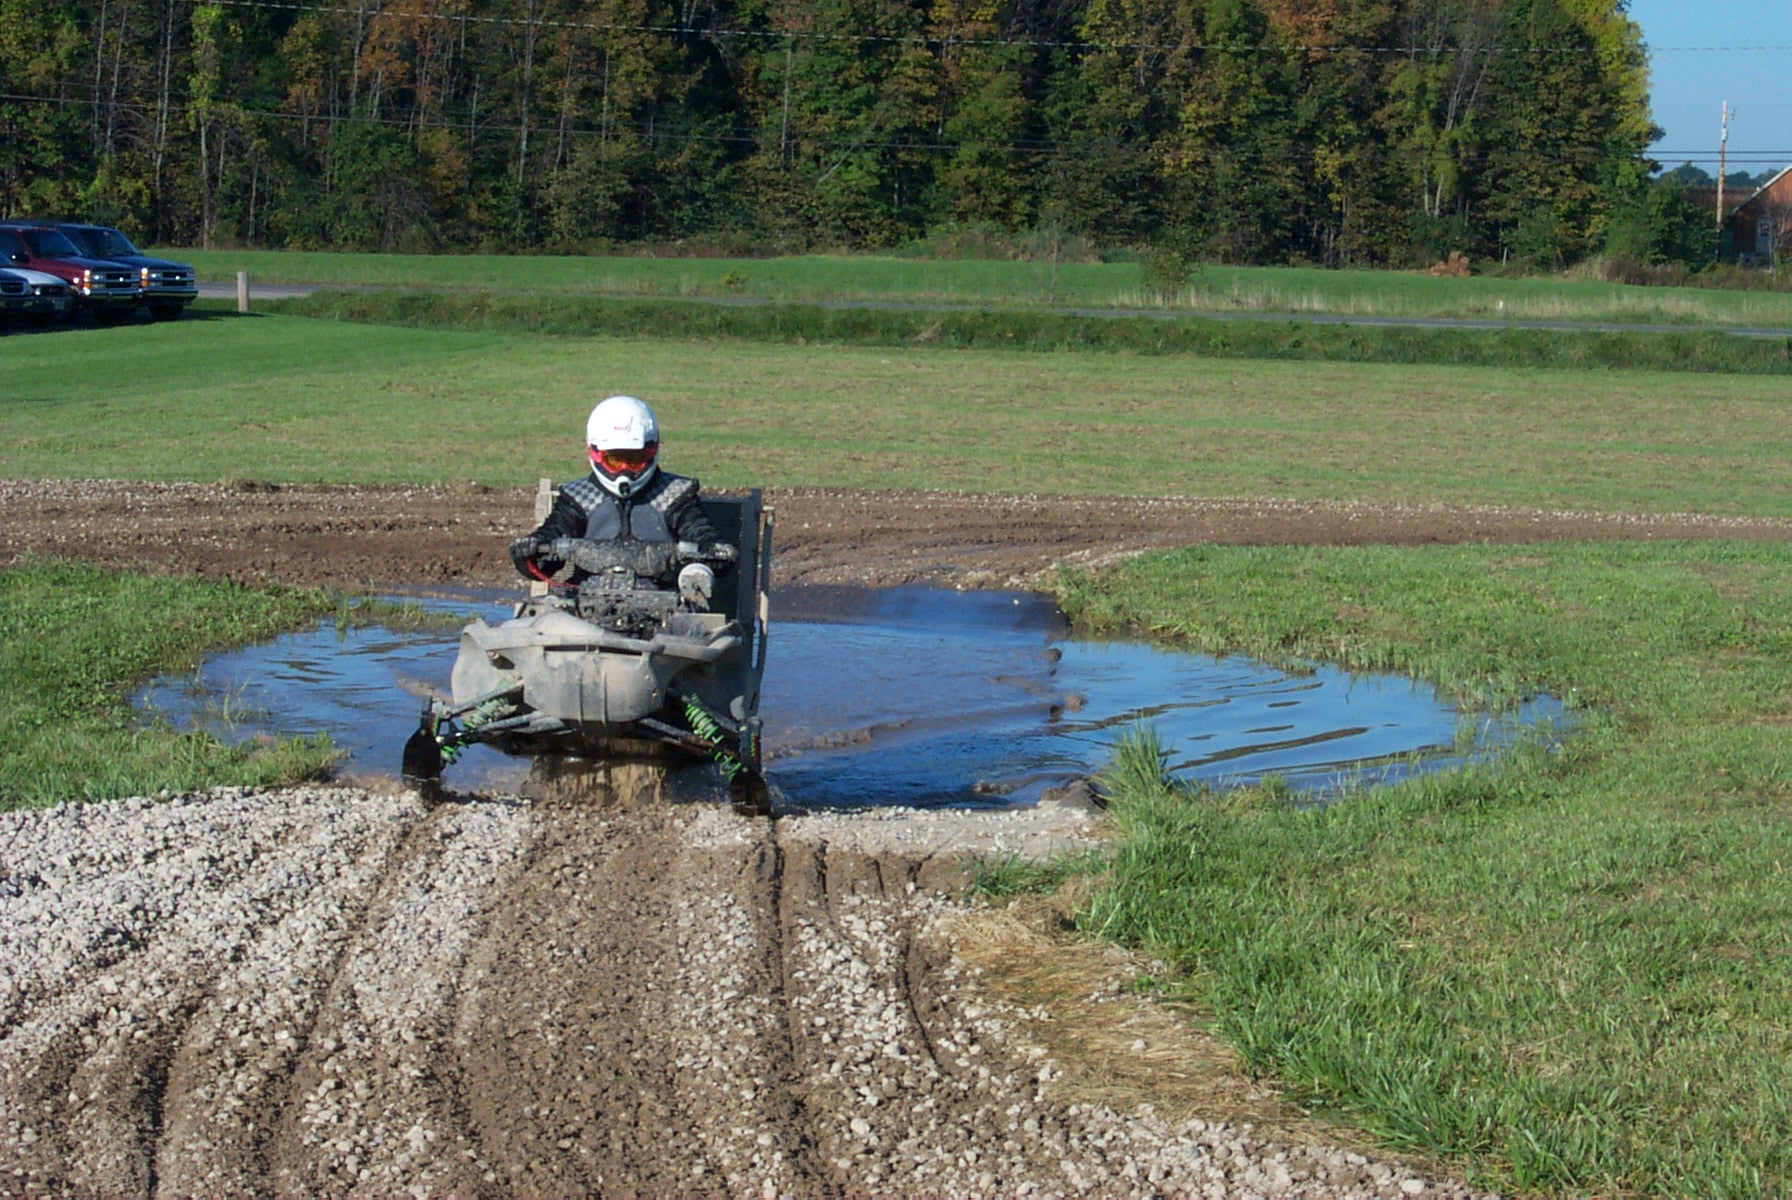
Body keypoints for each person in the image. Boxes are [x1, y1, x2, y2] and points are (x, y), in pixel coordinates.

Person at [509, 395, 729, 606]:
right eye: (615, 460)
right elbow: (549, 545)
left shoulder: (675, 495)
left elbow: (700, 532)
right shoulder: (579, 497)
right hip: (586, 612)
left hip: (665, 610)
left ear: (651, 451)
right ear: (595, 453)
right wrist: (529, 550)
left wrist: (713, 549)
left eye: (633, 459)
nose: (624, 470)